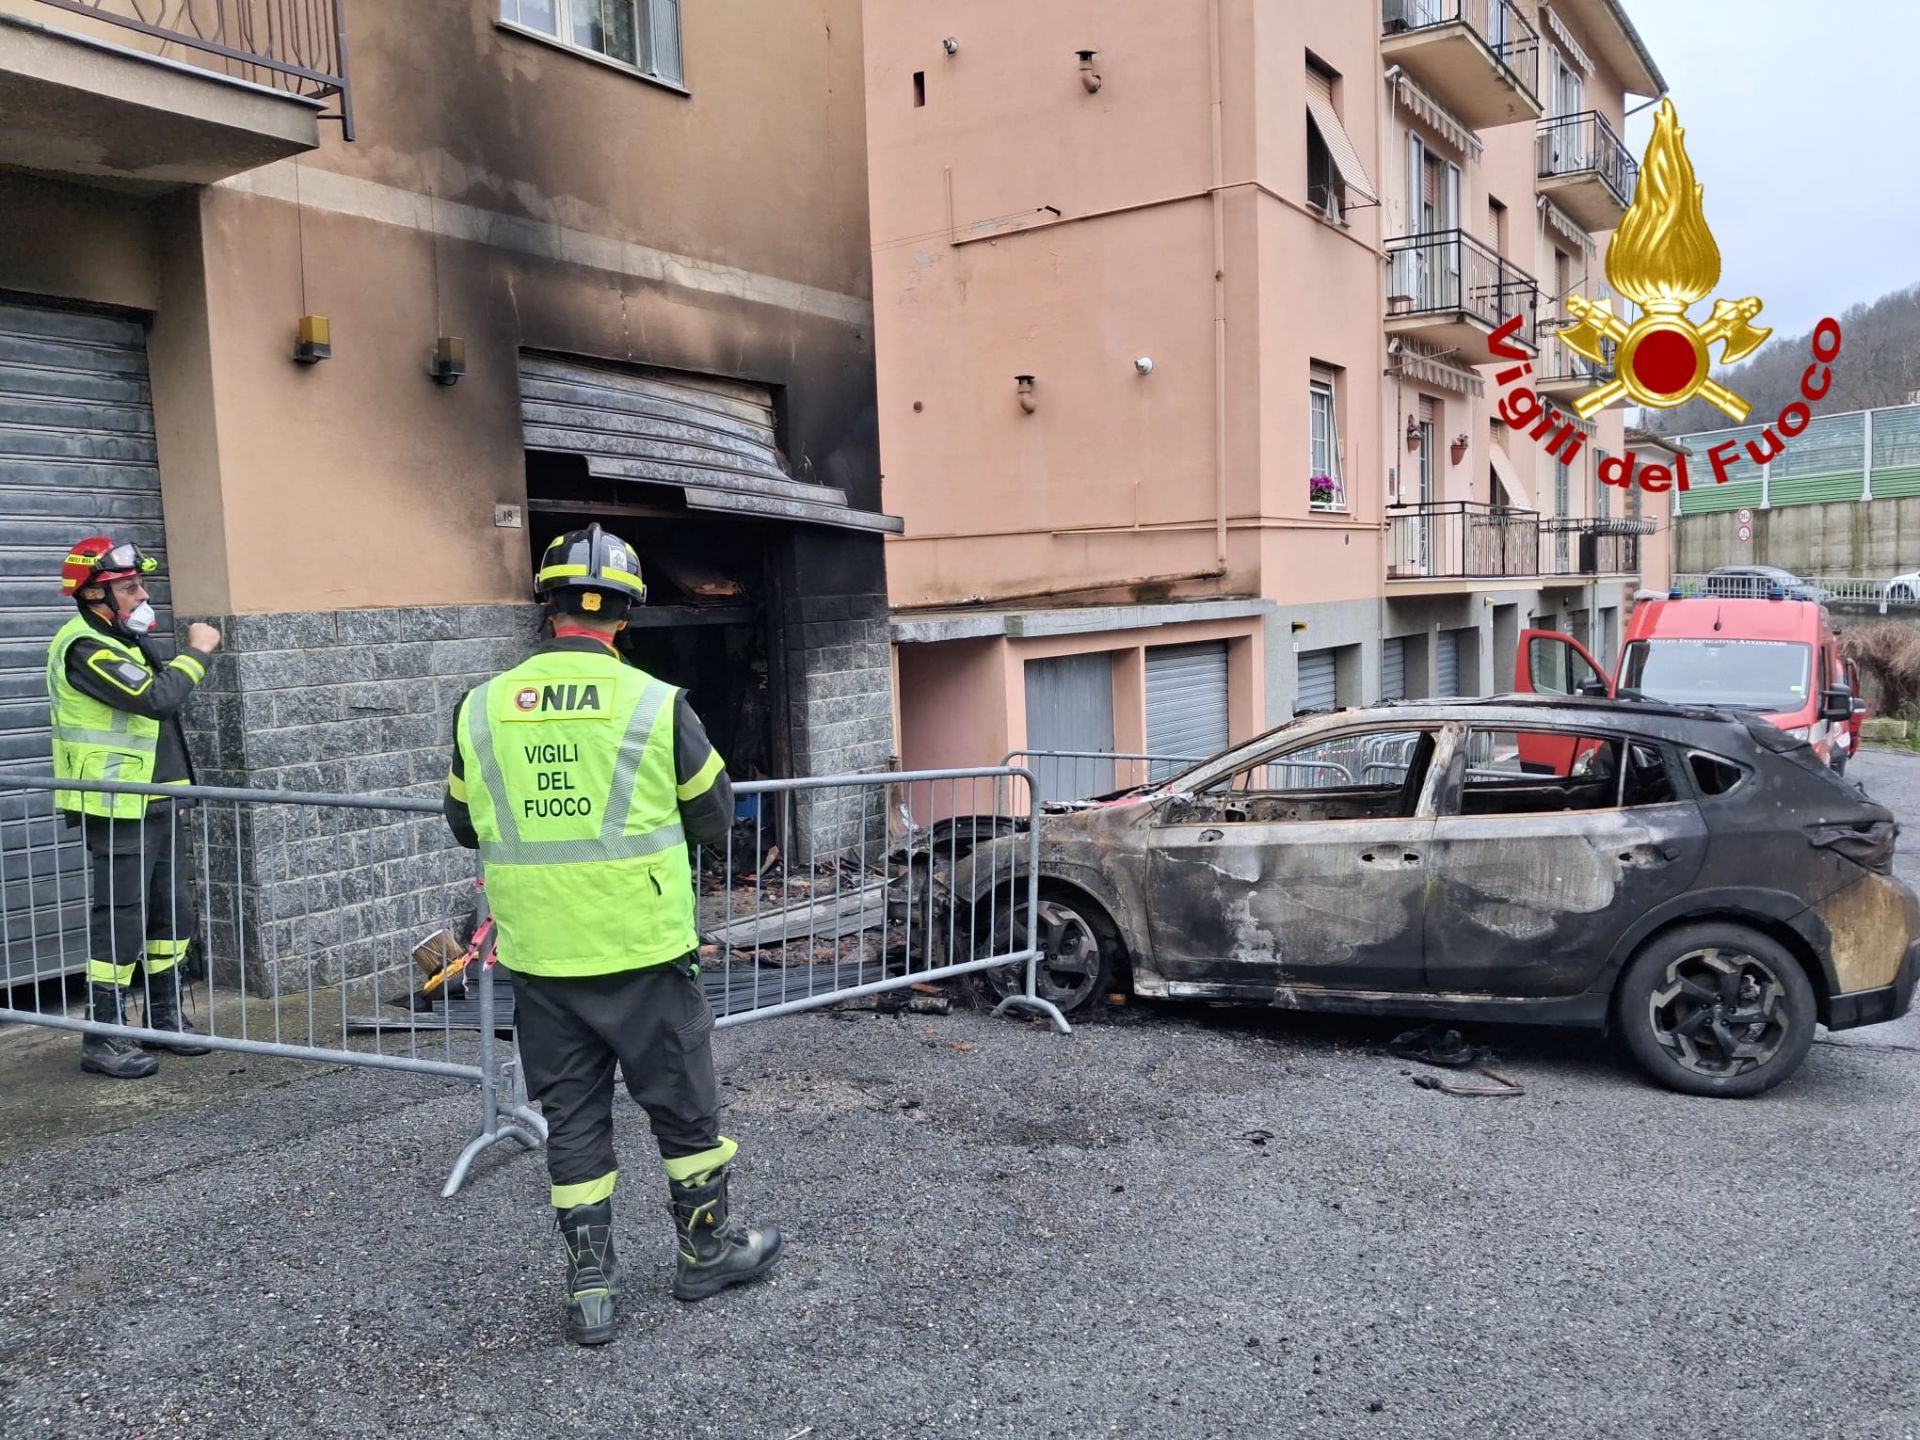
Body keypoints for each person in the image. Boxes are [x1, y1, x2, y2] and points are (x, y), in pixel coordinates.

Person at [443, 524, 781, 1346]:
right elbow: (711, 813)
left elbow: (462, 823)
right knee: (683, 1110)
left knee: (576, 1118)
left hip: (542, 958)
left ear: (547, 608)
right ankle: (707, 1252)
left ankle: (591, 1289)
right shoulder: (655, 704)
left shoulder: (481, 707)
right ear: (625, 614)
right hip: (643, 949)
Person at [47, 536, 219, 1079]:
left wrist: (180, 791)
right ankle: (105, 1037)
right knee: (120, 921)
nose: (143, 595)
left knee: (173, 915)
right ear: (96, 595)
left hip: (161, 800)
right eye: (130, 587)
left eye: (140, 584)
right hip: (117, 805)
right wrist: (198, 650)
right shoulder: (84, 648)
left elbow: (157, 728)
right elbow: (156, 699)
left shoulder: (122, 642)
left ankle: (164, 1020)